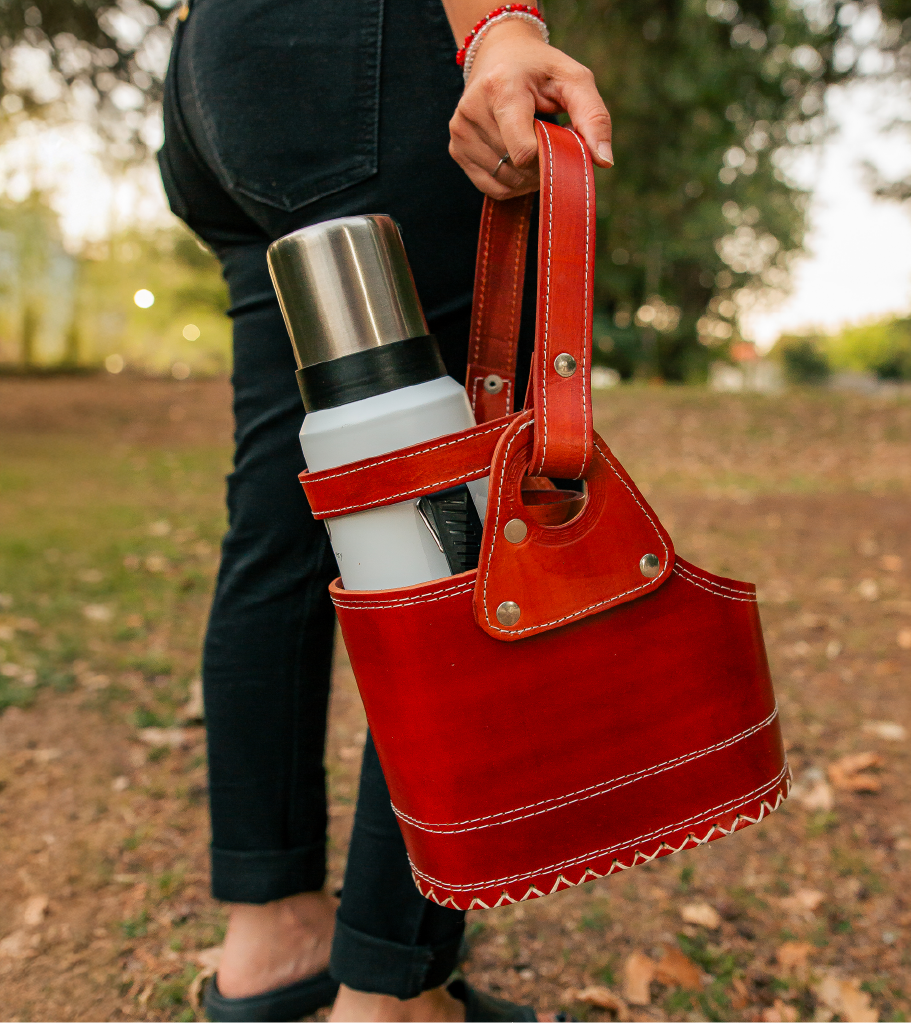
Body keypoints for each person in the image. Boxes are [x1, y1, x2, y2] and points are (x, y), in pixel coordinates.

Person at [157, 2, 612, 1021]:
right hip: (366, 49)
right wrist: (500, 24)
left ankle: (271, 940)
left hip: (215, 72)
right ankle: (390, 995)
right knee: (451, 519)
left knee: (281, 507)